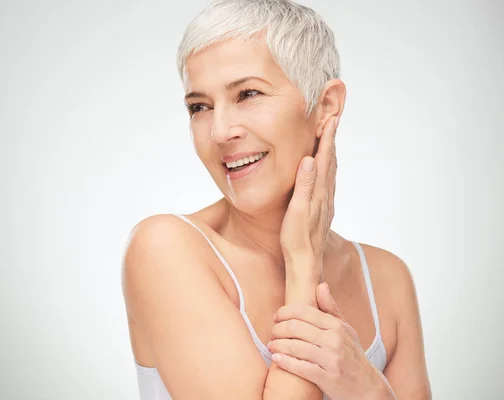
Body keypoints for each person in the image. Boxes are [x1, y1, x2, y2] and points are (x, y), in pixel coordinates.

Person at [121, 0, 431, 399]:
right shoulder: (165, 249)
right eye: (199, 106)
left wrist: (366, 384)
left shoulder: (387, 280)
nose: (219, 131)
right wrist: (303, 264)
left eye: (248, 93)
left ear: (325, 106)